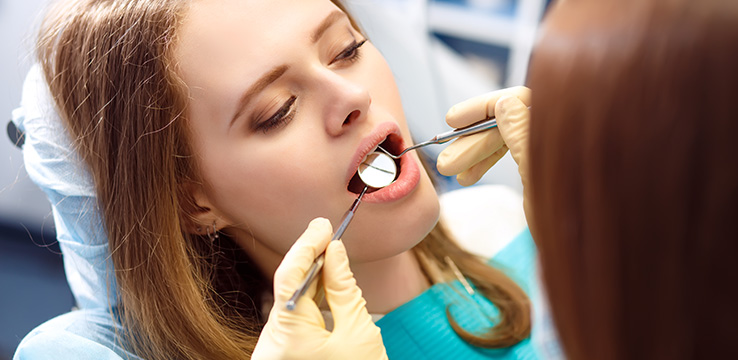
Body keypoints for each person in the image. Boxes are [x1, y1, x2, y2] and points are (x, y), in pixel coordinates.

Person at [12, 0, 549, 359]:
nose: (353, 98)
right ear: (193, 203)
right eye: (277, 110)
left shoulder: (507, 222)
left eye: (346, 49)